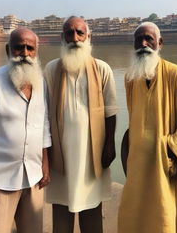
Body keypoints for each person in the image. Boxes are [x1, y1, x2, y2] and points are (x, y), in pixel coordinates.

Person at [118, 22, 177, 233]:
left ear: (160, 43)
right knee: (136, 215)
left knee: (167, 215)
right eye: (139, 40)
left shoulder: (176, 76)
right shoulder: (131, 78)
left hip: (166, 163)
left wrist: (169, 148)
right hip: (138, 163)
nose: (143, 44)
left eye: (149, 39)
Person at [0, 27, 51, 233]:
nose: (24, 53)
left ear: (36, 51)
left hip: (33, 178)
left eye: (29, 48)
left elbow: (43, 126)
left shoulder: (40, 83)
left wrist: (45, 164)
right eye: (18, 48)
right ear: (8, 50)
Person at [44, 16, 118, 233]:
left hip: (91, 153)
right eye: (69, 33)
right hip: (61, 152)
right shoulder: (51, 69)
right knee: (61, 208)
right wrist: (45, 153)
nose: (74, 38)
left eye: (79, 33)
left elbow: (110, 111)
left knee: (92, 208)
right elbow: (45, 113)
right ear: (62, 38)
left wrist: (110, 145)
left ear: (88, 37)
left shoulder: (102, 69)